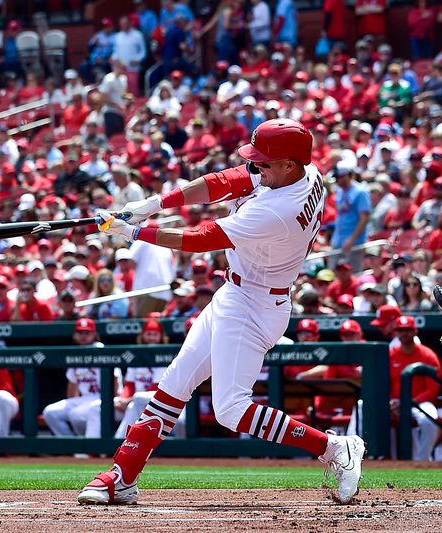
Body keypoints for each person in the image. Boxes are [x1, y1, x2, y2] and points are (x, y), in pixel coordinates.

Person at [79, 118, 364, 505]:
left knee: (231, 409)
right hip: (237, 292)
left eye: (265, 163)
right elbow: (226, 180)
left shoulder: (278, 209)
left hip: (258, 304)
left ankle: (333, 448)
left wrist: (131, 233)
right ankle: (122, 475)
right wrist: (153, 204)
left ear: (289, 165)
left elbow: (201, 239)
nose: (256, 168)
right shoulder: (303, 171)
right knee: (175, 381)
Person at [347, 316, 440, 460]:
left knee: (431, 418)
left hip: (418, 403)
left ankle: (422, 459)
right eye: (401, 330)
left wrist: (407, 402)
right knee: (362, 405)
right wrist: (389, 401)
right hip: (393, 402)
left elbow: (432, 390)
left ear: (415, 331)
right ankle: (355, 454)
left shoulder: (427, 355)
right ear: (396, 332)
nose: (404, 333)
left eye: (408, 330)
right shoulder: (390, 354)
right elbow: (382, 383)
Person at [42, 318, 116, 437]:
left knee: (76, 414)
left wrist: (113, 400)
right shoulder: (76, 352)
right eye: (80, 332)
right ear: (75, 335)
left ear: (94, 334)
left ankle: (85, 445)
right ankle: (70, 444)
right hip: (85, 398)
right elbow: (72, 388)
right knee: (50, 412)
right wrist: (75, 402)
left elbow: (115, 380)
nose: (83, 336)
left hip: (102, 397)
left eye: (87, 333)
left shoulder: (100, 350)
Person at [114, 318, 183, 438]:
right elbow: (129, 385)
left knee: (137, 399)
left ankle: (120, 441)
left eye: (155, 334)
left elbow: (156, 387)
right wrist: (123, 399)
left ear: (161, 336)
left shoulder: (164, 354)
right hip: (136, 401)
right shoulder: (137, 354)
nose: (151, 337)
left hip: (159, 399)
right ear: (143, 335)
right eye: (149, 334)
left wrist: (128, 399)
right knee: (116, 403)